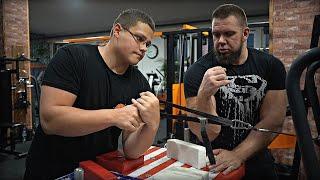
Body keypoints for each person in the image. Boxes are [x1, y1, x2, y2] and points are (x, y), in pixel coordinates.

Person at [24, 9, 160, 179]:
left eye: (147, 44)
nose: (143, 48)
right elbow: (50, 120)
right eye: (139, 38)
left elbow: (132, 151)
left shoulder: (140, 83)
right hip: (51, 170)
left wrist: (152, 125)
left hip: (97, 172)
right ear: (117, 31)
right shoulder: (73, 57)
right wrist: (114, 116)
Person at [184, 4, 286, 179]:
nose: (221, 40)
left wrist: (238, 154)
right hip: (214, 159)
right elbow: (208, 132)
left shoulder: (270, 66)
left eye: (229, 34)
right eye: (216, 35)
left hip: (255, 155)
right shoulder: (198, 71)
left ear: (245, 34)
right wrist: (204, 94)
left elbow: (273, 122)